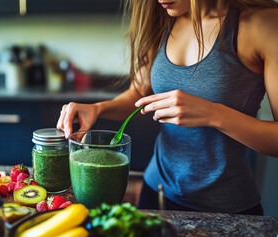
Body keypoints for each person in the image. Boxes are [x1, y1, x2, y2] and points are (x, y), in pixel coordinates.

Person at [56, 0, 278, 215]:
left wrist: (213, 114)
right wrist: (98, 108)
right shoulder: (163, 19)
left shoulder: (264, 24)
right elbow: (139, 93)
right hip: (156, 194)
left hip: (227, 209)